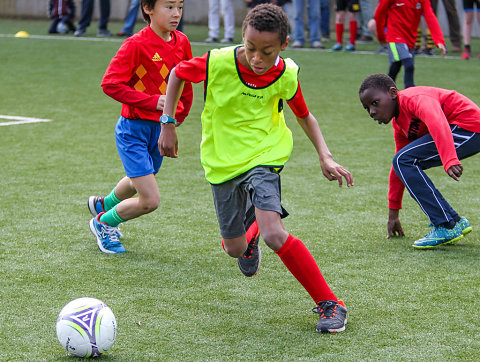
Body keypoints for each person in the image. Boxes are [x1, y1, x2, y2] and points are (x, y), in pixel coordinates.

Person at [160, 4, 353, 333]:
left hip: (266, 155)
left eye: (267, 51)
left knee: (274, 234)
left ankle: (331, 303)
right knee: (233, 248)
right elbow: (178, 73)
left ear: (284, 46)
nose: (257, 58)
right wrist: (168, 123)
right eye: (250, 48)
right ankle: (249, 238)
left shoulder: (286, 75)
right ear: (242, 38)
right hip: (222, 160)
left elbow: (304, 115)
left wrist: (325, 155)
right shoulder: (218, 62)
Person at [88, 0, 193, 253]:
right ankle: (103, 222)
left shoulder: (182, 42)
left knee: (141, 178)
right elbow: (110, 84)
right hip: (133, 130)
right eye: (169, 7)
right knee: (150, 200)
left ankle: (105, 203)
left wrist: (178, 117)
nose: (176, 13)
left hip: (160, 129)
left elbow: (185, 83)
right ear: (148, 8)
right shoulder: (136, 44)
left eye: (179, 6)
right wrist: (152, 102)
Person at [359, 73, 480, 248]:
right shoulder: (399, 124)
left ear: (393, 93)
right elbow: (398, 167)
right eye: (367, 108)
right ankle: (454, 221)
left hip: (469, 126)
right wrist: (393, 213)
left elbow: (437, 121)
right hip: (461, 130)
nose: (372, 112)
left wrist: (450, 159)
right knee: (402, 161)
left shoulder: (414, 98)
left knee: (403, 160)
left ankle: (445, 225)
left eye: (375, 103)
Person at [374, 0, 446, 88]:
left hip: (411, 39)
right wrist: (381, 36)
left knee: (397, 65)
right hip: (395, 36)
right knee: (409, 65)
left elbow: (430, 16)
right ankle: (410, 94)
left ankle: (383, 89)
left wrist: (439, 40)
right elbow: (379, 14)